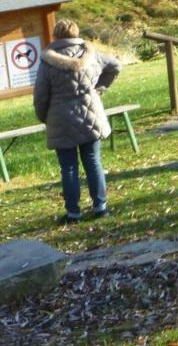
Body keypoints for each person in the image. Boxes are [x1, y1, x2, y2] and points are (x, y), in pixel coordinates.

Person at [33, 19, 122, 224]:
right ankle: (100, 207)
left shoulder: (48, 62)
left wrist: (43, 116)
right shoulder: (91, 55)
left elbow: (41, 96)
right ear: (76, 33)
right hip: (91, 115)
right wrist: (99, 88)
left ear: (55, 36)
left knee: (68, 167)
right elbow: (115, 66)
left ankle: (73, 212)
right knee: (93, 161)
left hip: (60, 118)